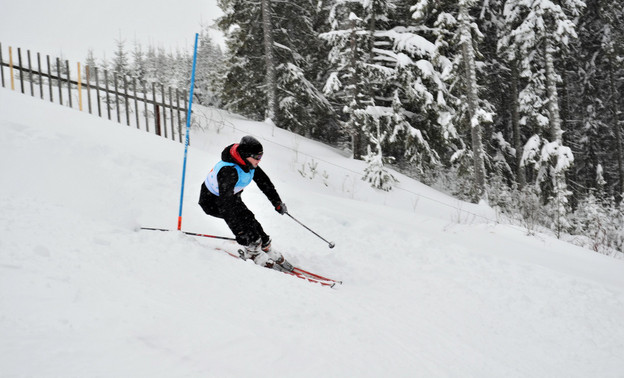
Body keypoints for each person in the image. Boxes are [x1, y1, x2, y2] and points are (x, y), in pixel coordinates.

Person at [199, 135, 287, 268]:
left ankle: (265, 247)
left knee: (251, 219)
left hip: (230, 197)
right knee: (245, 225)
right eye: (257, 157)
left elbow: (265, 184)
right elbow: (225, 206)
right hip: (212, 202)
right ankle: (253, 253)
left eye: (261, 156)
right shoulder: (228, 171)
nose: (259, 160)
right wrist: (238, 232)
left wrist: (277, 202)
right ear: (246, 155)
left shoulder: (249, 164)